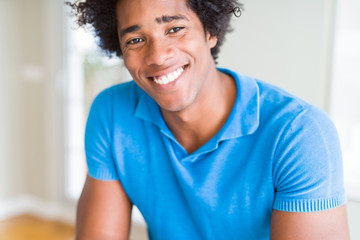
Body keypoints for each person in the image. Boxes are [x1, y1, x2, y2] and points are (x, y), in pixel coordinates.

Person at [67, 0, 350, 239]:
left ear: (210, 31)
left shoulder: (300, 134)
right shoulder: (112, 114)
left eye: (175, 29)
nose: (158, 56)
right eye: (136, 39)